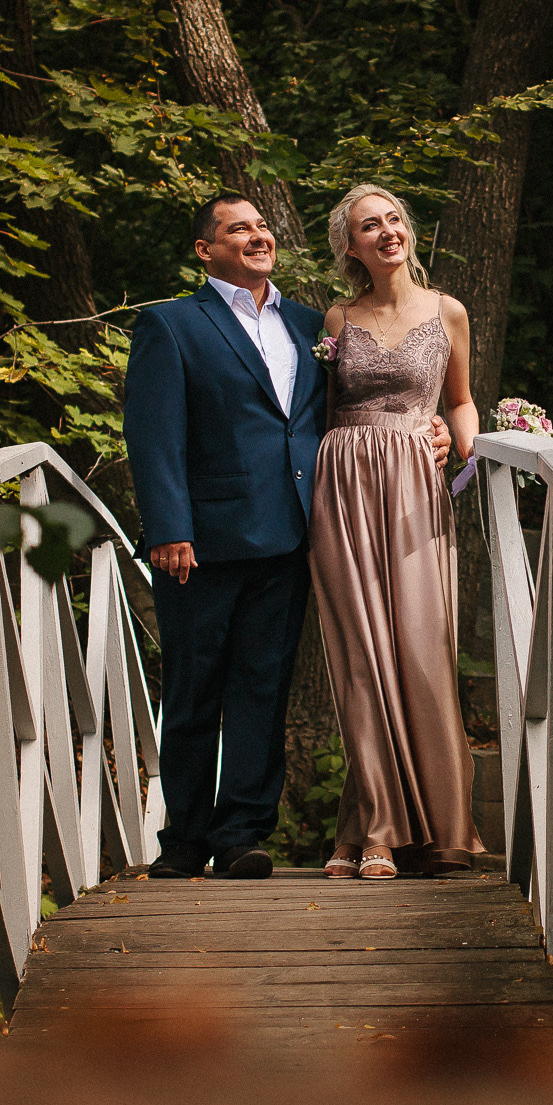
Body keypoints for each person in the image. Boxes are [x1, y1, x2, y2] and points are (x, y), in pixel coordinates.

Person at [124, 192, 443, 880]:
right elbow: (152, 436)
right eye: (239, 229)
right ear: (206, 249)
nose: (258, 236)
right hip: (200, 543)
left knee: (260, 692)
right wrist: (169, 527)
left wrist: (434, 430)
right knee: (191, 692)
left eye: (262, 226)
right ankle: (183, 838)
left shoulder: (311, 325)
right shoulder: (172, 325)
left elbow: (350, 412)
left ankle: (242, 832)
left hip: (291, 536)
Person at [309, 183, 483, 880]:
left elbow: (463, 401)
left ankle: (426, 826)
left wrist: (468, 452)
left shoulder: (449, 312)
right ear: (351, 248)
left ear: (407, 231)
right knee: (360, 660)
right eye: (368, 226)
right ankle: (377, 829)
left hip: (415, 484)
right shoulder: (335, 318)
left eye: (393, 220)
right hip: (344, 486)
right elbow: (313, 409)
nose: (386, 232)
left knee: (419, 646)